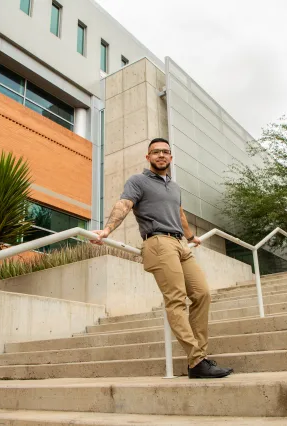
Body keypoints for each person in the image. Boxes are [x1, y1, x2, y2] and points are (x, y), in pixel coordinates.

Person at [92, 137, 233, 379]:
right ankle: (197, 360)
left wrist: (191, 236)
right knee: (176, 299)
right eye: (155, 152)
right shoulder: (138, 181)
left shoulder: (174, 187)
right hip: (158, 242)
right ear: (148, 158)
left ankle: (198, 358)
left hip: (181, 244)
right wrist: (107, 230)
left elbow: (179, 213)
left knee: (202, 294)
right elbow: (124, 204)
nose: (161, 155)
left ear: (170, 157)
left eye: (165, 152)